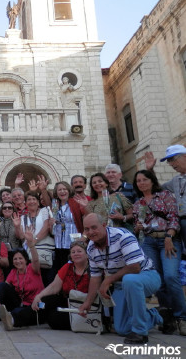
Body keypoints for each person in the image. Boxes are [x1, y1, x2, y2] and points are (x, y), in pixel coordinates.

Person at [79, 213, 163, 344]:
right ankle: (154, 315)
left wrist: (108, 280)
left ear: (104, 225)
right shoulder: (90, 247)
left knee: (130, 280)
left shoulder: (123, 236)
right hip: (121, 284)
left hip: (147, 275)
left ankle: (140, 333)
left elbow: (135, 268)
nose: (90, 232)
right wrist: (88, 303)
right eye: (87, 229)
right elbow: (95, 279)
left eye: (94, 227)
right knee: (122, 329)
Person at [132, 169, 186, 335]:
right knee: (158, 280)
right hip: (149, 241)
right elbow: (138, 226)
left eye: (144, 179)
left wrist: (170, 236)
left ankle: (182, 317)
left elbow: (174, 217)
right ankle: (167, 315)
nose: (142, 183)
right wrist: (137, 228)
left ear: (152, 181)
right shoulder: (138, 203)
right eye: (138, 181)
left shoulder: (165, 196)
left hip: (168, 240)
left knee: (171, 276)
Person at [31, 240, 90, 330]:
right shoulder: (67, 267)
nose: (76, 254)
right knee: (42, 303)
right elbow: (54, 286)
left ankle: (43, 317)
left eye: (79, 251)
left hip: (84, 305)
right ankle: (14, 318)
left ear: (87, 254)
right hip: (66, 301)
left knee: (53, 318)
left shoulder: (93, 269)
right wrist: (39, 296)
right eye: (73, 252)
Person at [0, 236, 45, 330]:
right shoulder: (14, 272)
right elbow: (4, 288)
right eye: (15, 259)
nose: (18, 261)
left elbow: (35, 260)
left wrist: (31, 246)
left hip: (36, 304)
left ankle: (10, 318)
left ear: (26, 260)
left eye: (20, 258)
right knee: (2, 286)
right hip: (20, 302)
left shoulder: (32, 268)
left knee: (19, 312)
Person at [145, 145, 186, 249]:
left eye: (172, 159)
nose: (171, 164)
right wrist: (150, 171)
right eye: (168, 161)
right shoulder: (176, 180)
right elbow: (158, 190)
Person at [50, 181, 86, 271]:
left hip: (73, 243)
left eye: (64, 189)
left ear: (69, 190)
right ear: (56, 192)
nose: (62, 191)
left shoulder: (75, 202)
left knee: (73, 269)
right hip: (58, 243)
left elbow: (86, 218)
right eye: (59, 190)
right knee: (60, 269)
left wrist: (84, 236)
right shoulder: (55, 204)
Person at [19, 191, 52, 285]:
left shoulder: (44, 211)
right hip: (29, 253)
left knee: (46, 279)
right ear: (25, 203)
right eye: (29, 199)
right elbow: (21, 236)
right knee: (31, 281)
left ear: (38, 202)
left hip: (43, 251)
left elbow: (46, 227)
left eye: (34, 199)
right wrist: (17, 226)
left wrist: (34, 240)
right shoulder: (23, 217)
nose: (31, 201)